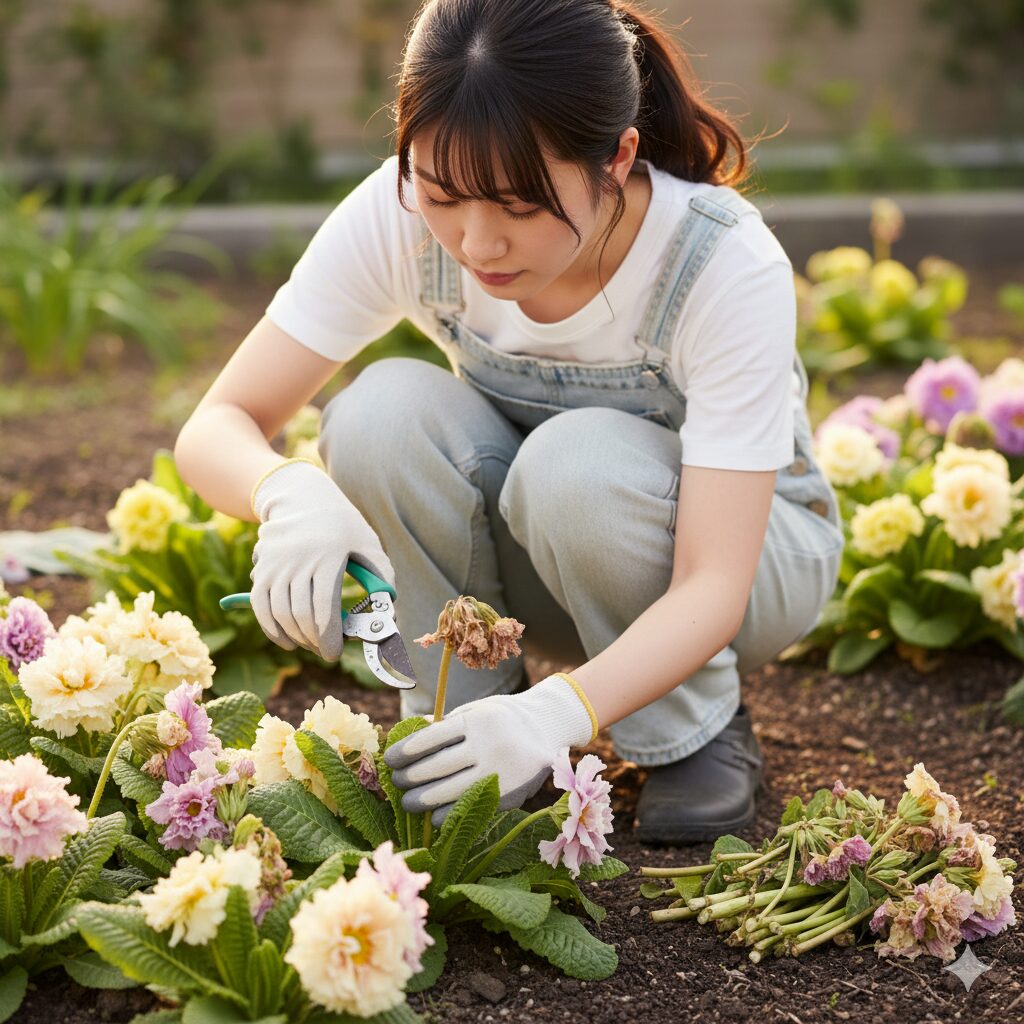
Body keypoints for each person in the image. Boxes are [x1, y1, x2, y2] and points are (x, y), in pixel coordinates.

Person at [174, 0, 844, 845]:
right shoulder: (399, 217)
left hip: (748, 570)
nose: (477, 241)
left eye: (520, 205)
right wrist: (286, 490)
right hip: (554, 558)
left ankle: (694, 735)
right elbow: (217, 422)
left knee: (575, 465)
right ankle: (466, 725)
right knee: (379, 411)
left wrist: (557, 713)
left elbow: (714, 582)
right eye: (445, 194)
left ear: (618, 157)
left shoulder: (718, 262)